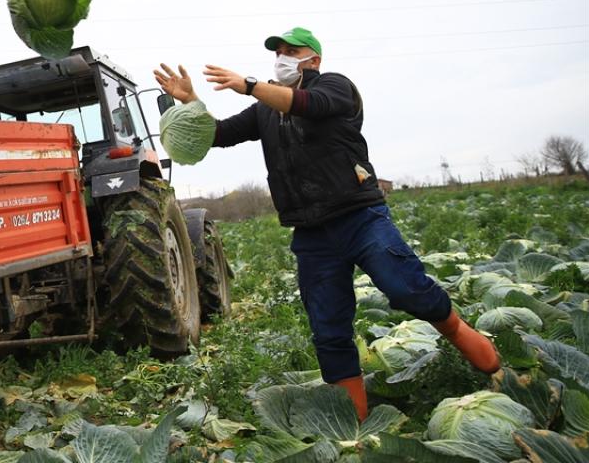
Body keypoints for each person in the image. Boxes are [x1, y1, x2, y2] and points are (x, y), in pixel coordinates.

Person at [153, 26, 499, 421]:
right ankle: (355, 422)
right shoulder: (266, 107)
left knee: (406, 288)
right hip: (312, 232)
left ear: (313, 58)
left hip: (360, 217)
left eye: (290, 50)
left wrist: (249, 85)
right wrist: (191, 101)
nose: (282, 57)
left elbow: (306, 104)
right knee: (328, 326)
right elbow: (220, 134)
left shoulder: (336, 87)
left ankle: (466, 339)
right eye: (277, 52)